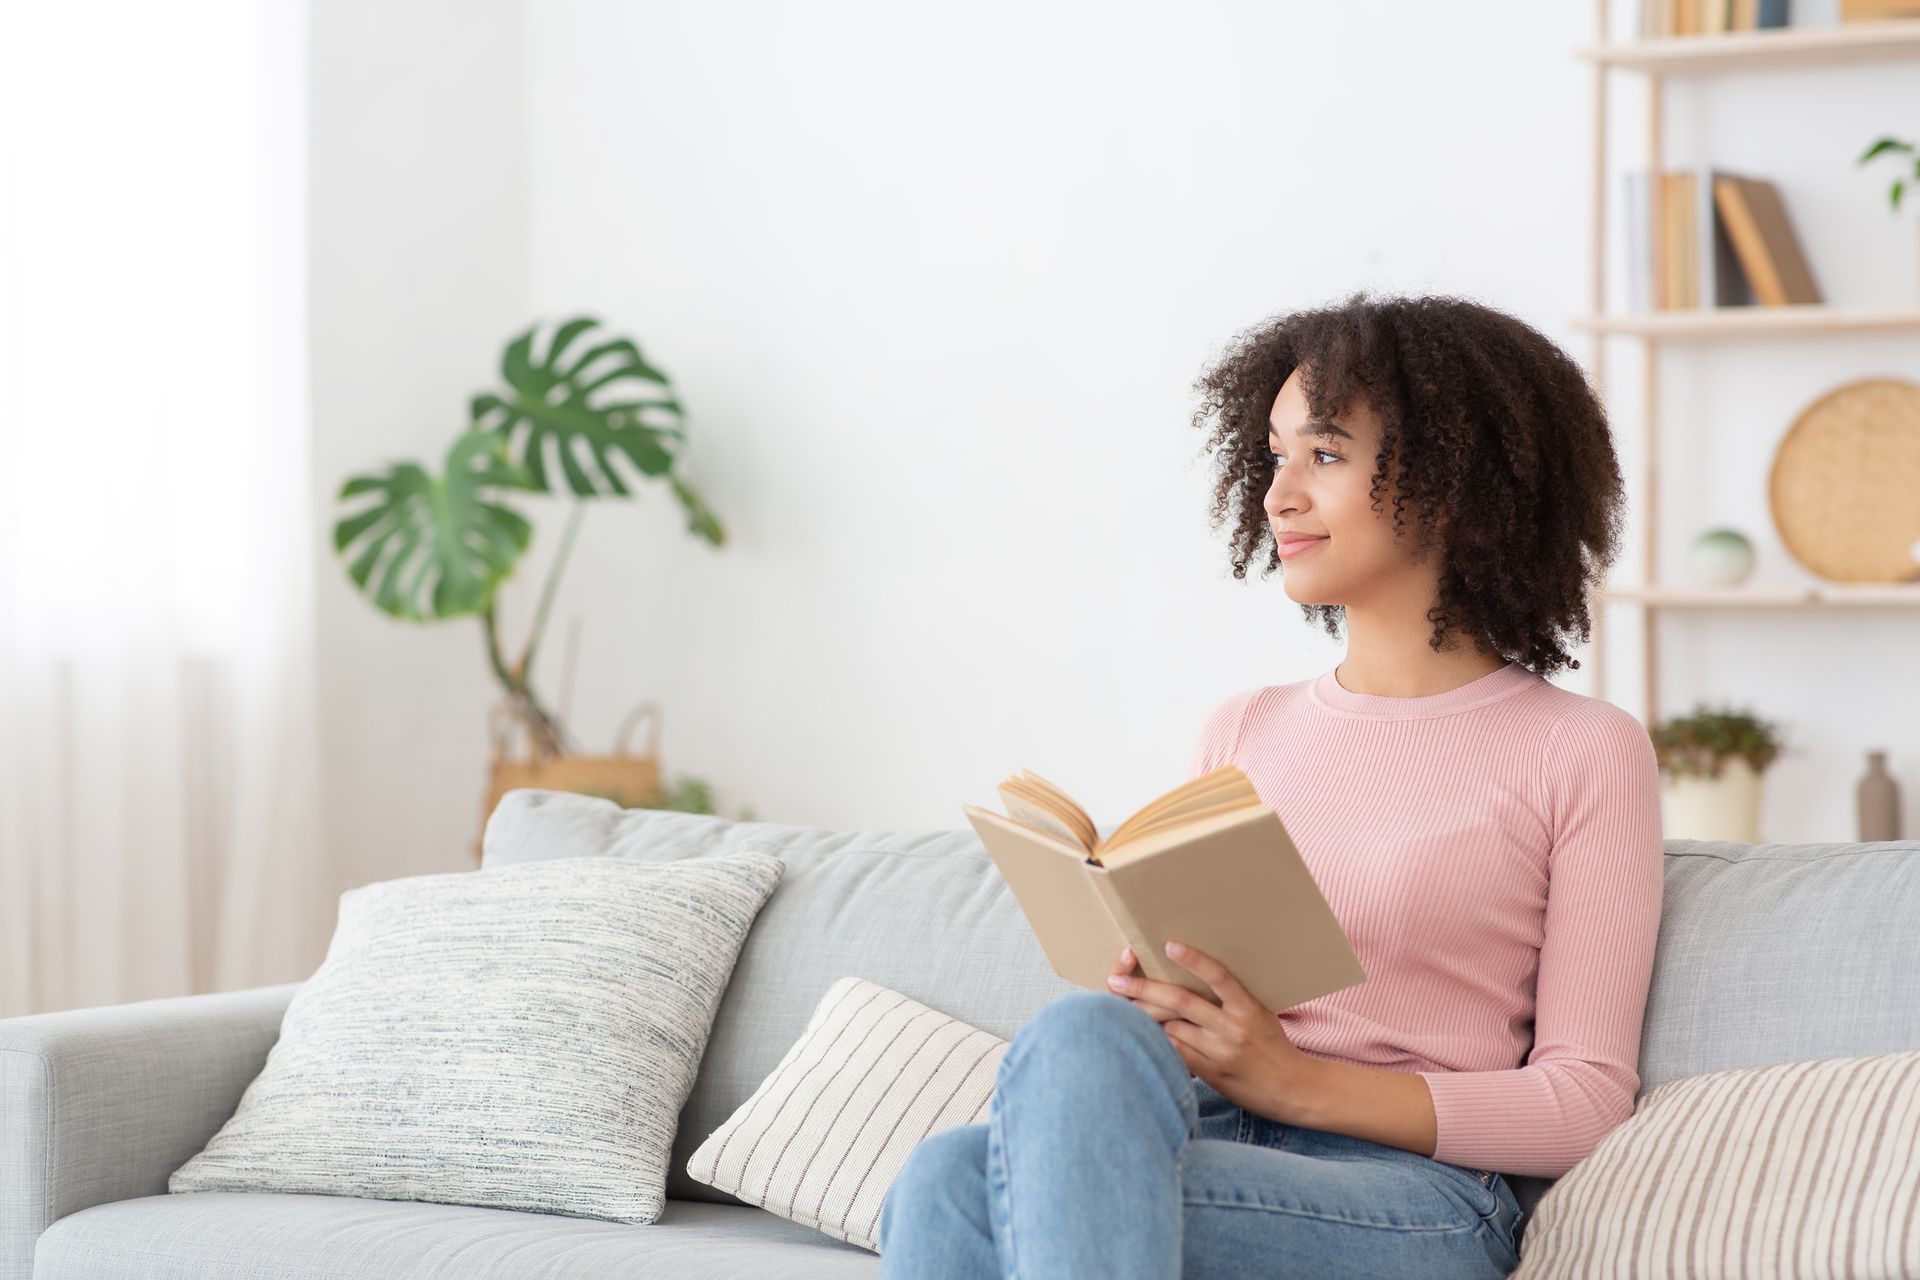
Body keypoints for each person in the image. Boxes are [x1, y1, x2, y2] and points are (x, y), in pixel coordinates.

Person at [875, 291, 1665, 1279]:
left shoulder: (1582, 748)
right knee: (1040, 1072)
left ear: (1456, 483)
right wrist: (1167, 999)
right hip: (1207, 1128)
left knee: (965, 1186)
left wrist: (1292, 1079)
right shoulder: (1244, 726)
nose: (1278, 494)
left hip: (1413, 1194)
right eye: (1275, 454)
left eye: (1325, 454)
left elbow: (1585, 1099)